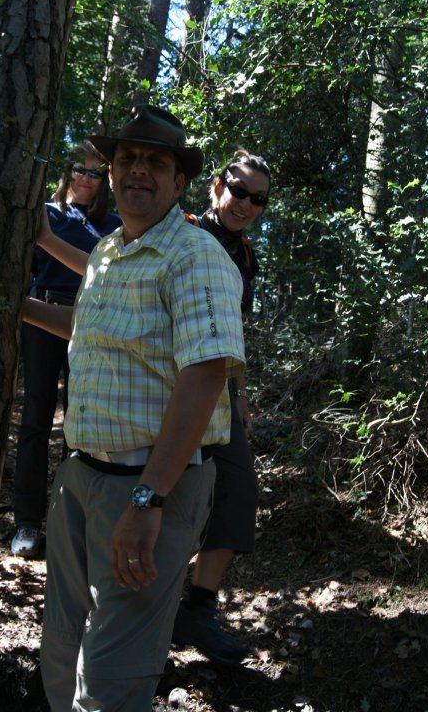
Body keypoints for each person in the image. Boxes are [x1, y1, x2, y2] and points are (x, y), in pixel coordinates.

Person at [21, 105, 246, 711]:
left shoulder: (196, 256)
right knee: (62, 646)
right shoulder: (109, 252)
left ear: (180, 181)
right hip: (80, 477)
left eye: (156, 161)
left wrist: (149, 499)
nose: (138, 170)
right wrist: (15, 307)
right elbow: (91, 329)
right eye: (128, 159)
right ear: (112, 173)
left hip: (150, 486)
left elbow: (205, 374)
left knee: (111, 673)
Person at [172, 150, 271, 665]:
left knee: (237, 490)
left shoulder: (247, 257)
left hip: (220, 392)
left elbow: (234, 334)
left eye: (258, 199)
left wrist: (240, 394)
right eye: (239, 191)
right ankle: (144, 612)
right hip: (166, 386)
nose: (246, 204)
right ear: (217, 185)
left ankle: (198, 608)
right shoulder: (182, 232)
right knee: (165, 492)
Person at [11, 143, 121, 558]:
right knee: (36, 420)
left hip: (89, 323)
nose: (86, 178)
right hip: (42, 318)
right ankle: (27, 521)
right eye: (80, 169)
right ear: (67, 171)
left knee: (80, 425)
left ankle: (68, 521)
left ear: (104, 180)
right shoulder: (46, 212)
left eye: (95, 172)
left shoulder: (112, 225)